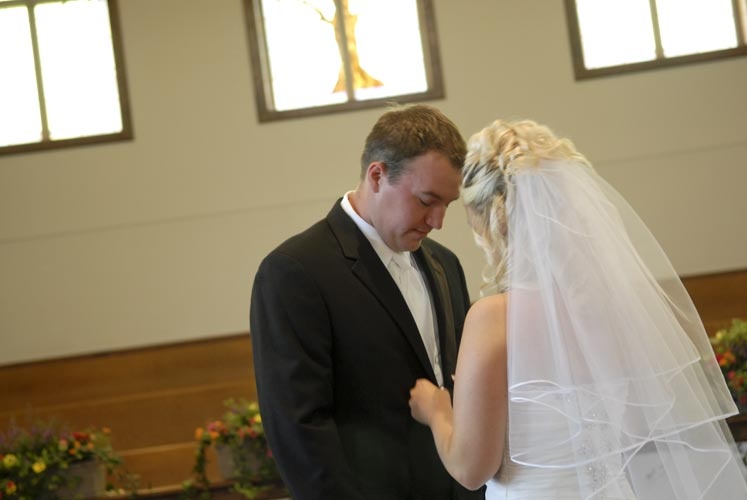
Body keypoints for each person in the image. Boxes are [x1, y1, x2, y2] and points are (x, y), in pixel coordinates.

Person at [409, 118, 747, 499]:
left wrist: (437, 411)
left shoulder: (493, 318)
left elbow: (472, 469)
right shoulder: (611, 308)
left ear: (494, 220)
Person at [250, 104, 486, 500]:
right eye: (426, 200)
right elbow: (299, 427)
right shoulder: (296, 271)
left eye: (447, 204)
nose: (438, 221)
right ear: (377, 176)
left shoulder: (445, 264)